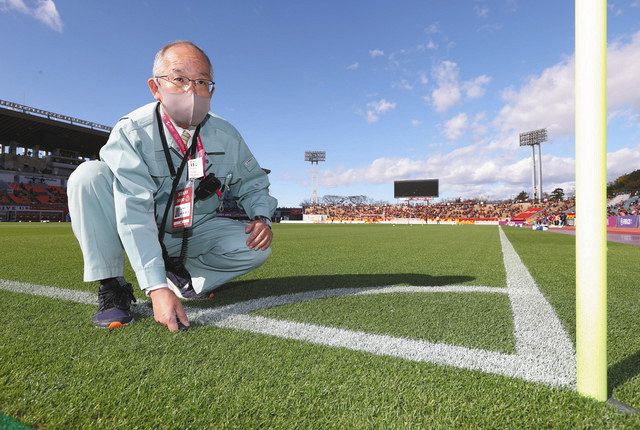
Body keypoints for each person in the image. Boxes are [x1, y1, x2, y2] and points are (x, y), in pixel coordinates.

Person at [67, 41, 277, 332]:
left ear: (211, 90)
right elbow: (134, 207)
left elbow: (253, 182)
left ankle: (181, 277)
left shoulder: (226, 134)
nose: (191, 90)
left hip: (192, 232)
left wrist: (262, 216)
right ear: (156, 88)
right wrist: (154, 288)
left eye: (201, 81)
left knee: (256, 248)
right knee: (88, 176)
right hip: (143, 225)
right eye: (179, 79)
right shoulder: (132, 131)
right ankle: (113, 284)